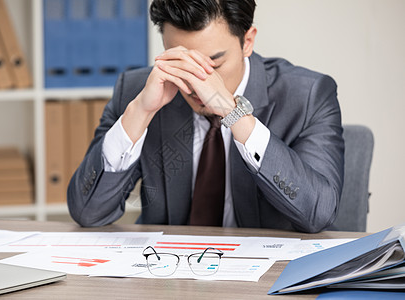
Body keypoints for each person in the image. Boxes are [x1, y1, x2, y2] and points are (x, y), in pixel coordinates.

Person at [67, 0, 344, 233]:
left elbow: (318, 213)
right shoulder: (138, 91)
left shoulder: (307, 95)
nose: (197, 83)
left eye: (214, 64)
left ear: (247, 41)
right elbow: (88, 213)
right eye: (183, 64)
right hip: (167, 277)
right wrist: (140, 111)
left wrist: (233, 113)